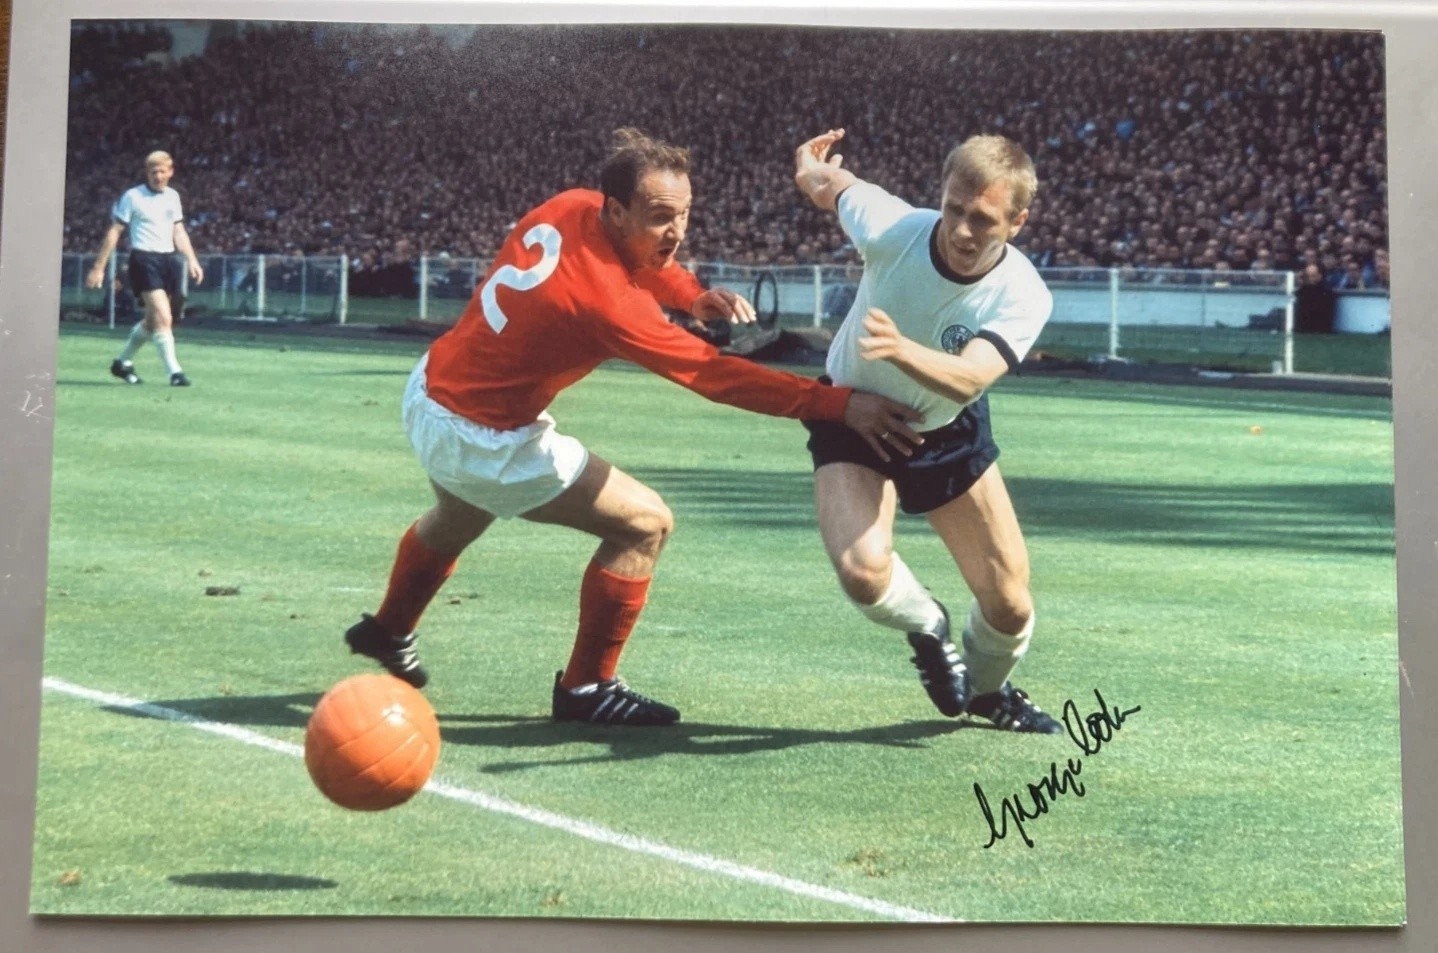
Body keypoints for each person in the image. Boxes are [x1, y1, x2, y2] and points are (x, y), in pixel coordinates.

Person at [344, 128, 920, 726]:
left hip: (431, 389)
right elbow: (715, 376)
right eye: (660, 217)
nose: (677, 231)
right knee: (645, 525)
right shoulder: (607, 304)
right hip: (479, 435)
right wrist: (837, 404)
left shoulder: (570, 204)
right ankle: (587, 688)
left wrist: (691, 296)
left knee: (459, 514)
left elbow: (646, 264)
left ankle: (389, 629)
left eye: (684, 214)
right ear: (616, 211)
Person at [792, 128, 1062, 734]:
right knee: (863, 572)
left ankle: (987, 695)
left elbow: (970, 380)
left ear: (1018, 222)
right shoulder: (893, 228)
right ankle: (928, 626)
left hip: (945, 426)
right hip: (851, 416)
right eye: (954, 210)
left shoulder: (1024, 293)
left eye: (984, 220)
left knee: (1010, 606)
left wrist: (898, 349)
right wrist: (809, 166)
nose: (963, 231)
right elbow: (834, 186)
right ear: (940, 195)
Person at [86, 150, 204, 387]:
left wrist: (192, 259)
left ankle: (122, 363)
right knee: (163, 316)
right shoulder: (133, 197)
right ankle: (175, 373)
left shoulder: (173, 197)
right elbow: (115, 231)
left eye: (162, 171)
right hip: (143, 259)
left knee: (152, 321)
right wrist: (99, 267)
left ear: (170, 172)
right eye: (153, 172)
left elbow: (178, 231)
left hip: (168, 260)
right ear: (147, 173)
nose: (158, 176)